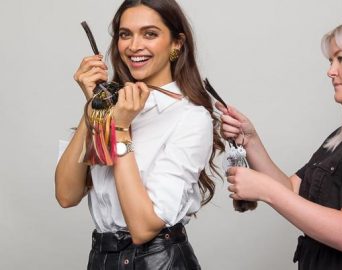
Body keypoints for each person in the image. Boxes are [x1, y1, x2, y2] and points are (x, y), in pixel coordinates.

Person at [217, 18, 342, 270]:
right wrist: (250, 140)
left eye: (341, 58)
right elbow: (292, 189)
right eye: (330, 61)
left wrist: (266, 191)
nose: (331, 71)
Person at [55, 0, 223, 269]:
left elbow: (143, 228)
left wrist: (120, 130)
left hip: (157, 262)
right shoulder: (115, 104)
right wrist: (94, 107)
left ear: (176, 44)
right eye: (125, 34)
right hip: (101, 258)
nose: (133, 46)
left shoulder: (190, 118)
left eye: (150, 34)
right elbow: (66, 195)